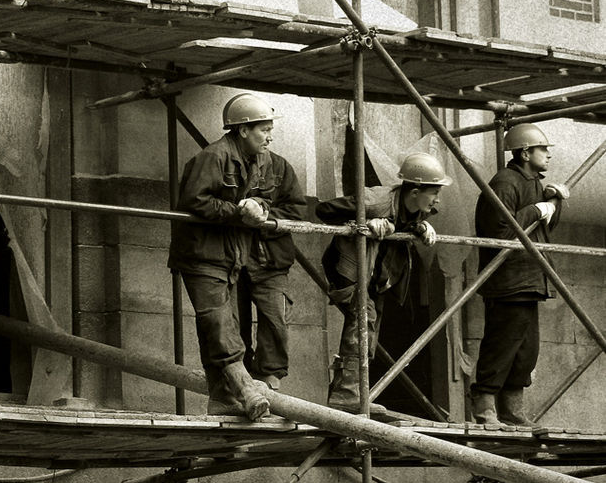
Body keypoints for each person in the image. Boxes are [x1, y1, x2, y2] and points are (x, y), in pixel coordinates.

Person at [168, 93, 309, 420]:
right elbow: (194, 203)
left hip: (230, 256)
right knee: (219, 324)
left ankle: (224, 399)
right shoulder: (214, 157)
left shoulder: (264, 162)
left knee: (219, 325)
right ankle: (244, 388)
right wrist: (237, 212)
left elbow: (295, 210)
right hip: (201, 255)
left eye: (270, 129)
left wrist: (261, 209)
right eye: (263, 129)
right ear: (242, 130)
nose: (270, 136)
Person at [316, 153, 450, 412]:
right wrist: (365, 222)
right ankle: (347, 396)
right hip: (348, 268)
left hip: (376, 274)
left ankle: (350, 394)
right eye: (433, 192)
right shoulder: (374, 200)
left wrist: (420, 227)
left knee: (370, 330)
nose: (437, 199)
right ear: (414, 191)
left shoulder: (418, 208)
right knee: (362, 321)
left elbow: (404, 222)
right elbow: (324, 210)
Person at [470, 123, 568, 425]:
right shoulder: (505, 182)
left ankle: (512, 411)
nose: (548, 155)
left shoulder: (534, 183)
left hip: (530, 278)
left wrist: (554, 202)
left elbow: (542, 229)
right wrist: (538, 209)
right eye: (543, 149)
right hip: (508, 280)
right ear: (525, 152)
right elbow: (501, 230)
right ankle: (485, 408)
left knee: (526, 350)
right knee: (502, 343)